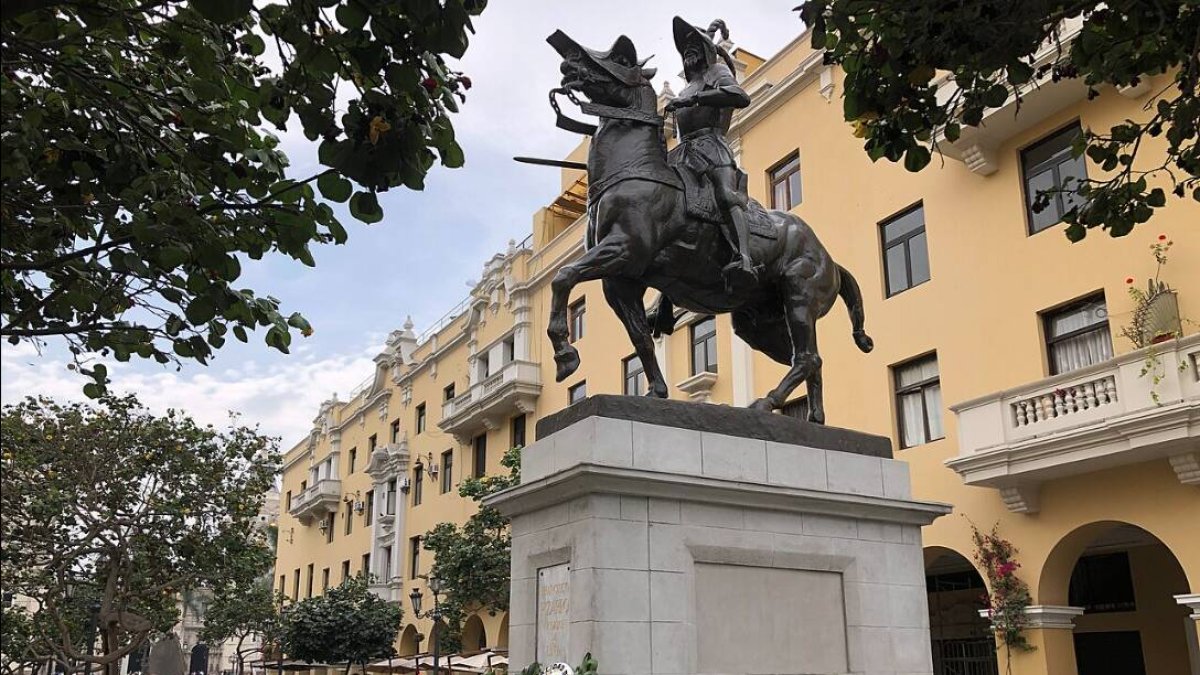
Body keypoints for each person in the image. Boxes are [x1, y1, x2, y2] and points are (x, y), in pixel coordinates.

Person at [665, 17, 755, 288]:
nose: (688, 50)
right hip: (683, 153)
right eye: (685, 47)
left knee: (725, 195)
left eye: (694, 45)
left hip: (712, 145)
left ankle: (744, 258)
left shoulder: (716, 73)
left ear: (706, 50)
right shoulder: (685, 87)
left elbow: (740, 96)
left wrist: (697, 98)